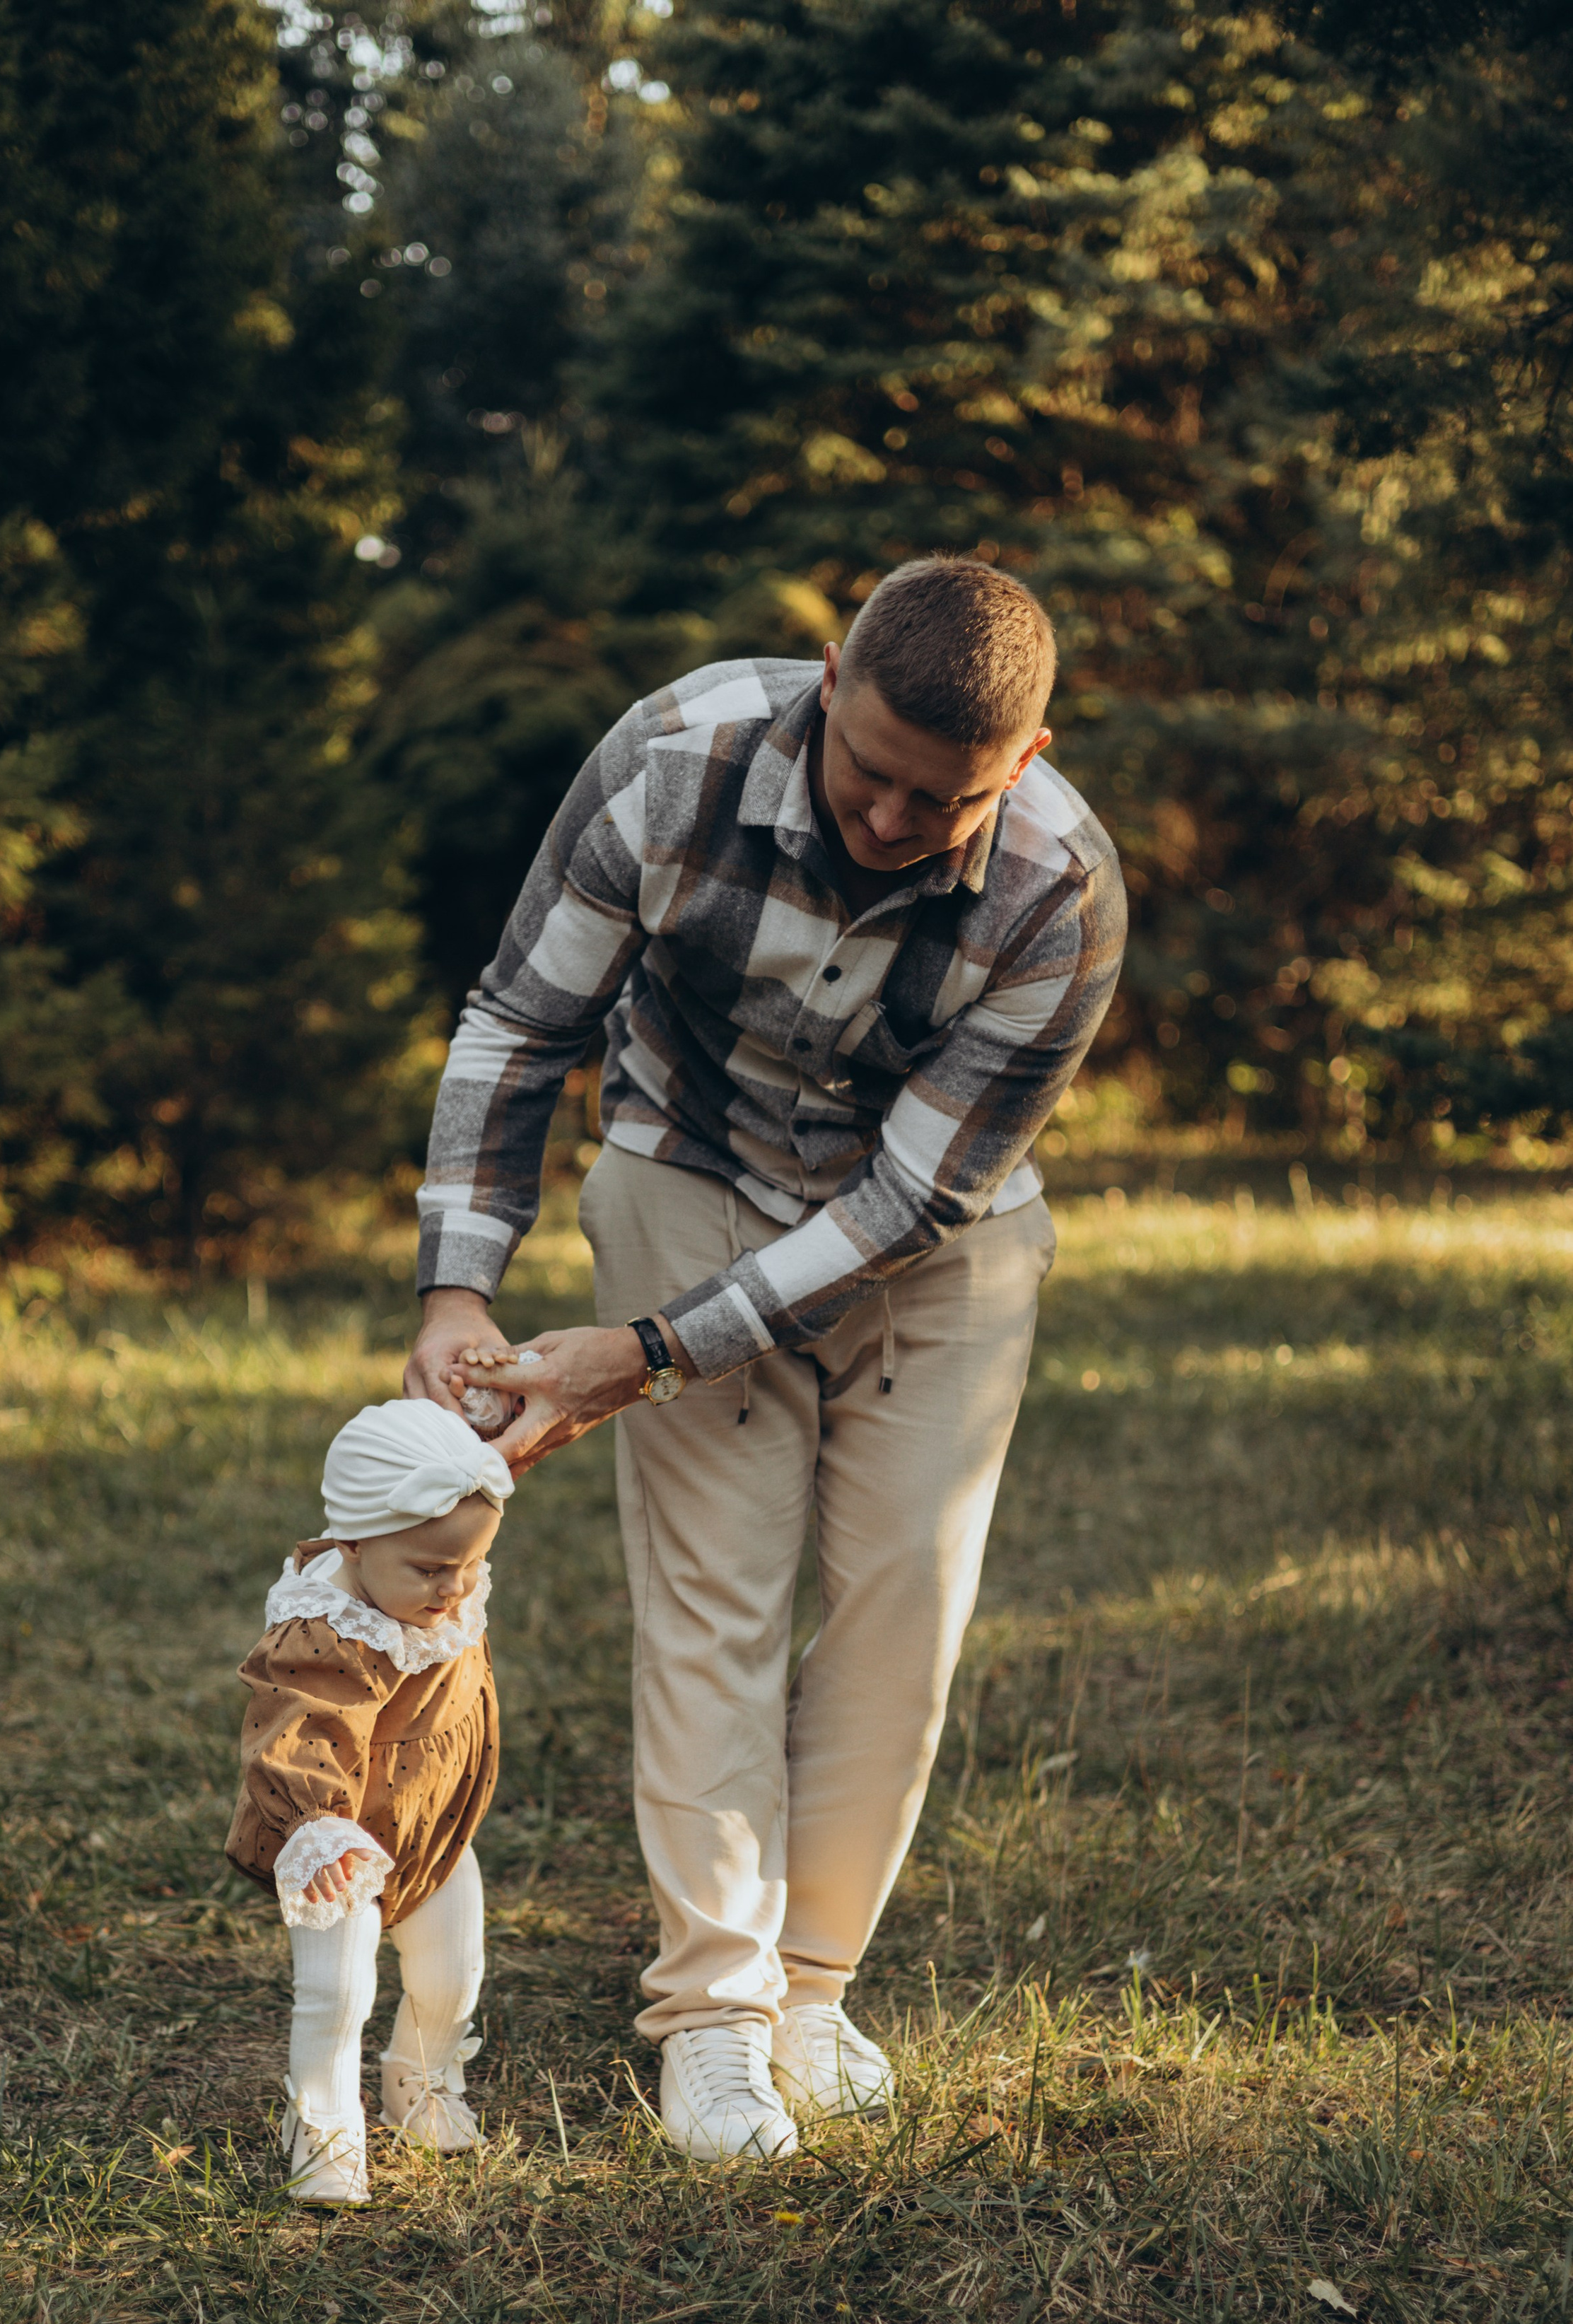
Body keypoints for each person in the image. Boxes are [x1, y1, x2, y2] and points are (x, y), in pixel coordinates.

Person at [407, 556, 1125, 2162]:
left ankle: (810, 1987)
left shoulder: (1059, 894)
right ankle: (713, 2020)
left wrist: (645, 1355)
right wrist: (457, 1289)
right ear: (823, 680)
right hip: (686, 1163)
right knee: (717, 1590)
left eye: (932, 800)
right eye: (863, 770)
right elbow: (521, 1023)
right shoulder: (669, 765)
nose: (882, 819)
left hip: (933, 1235)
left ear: (1020, 758)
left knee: (899, 1604)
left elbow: (903, 1198)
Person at [225, 1399, 512, 2205]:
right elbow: (295, 1730)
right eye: (429, 1569)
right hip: (339, 1836)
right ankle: (322, 2122)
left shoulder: (439, 1592)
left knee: (453, 1973)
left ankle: (419, 2082)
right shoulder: (322, 1632)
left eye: (472, 1564)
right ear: (353, 1540)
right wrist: (316, 1825)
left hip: (433, 1823)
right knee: (340, 1989)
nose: (453, 1590)